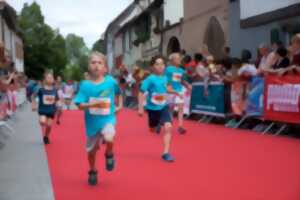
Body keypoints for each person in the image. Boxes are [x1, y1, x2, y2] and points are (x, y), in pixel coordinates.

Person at [74, 52, 123, 186]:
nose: (96, 65)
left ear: (105, 68)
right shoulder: (85, 85)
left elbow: (119, 92)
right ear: (89, 66)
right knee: (91, 151)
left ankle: (109, 153)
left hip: (108, 118)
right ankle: (92, 170)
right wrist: (90, 104)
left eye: (99, 63)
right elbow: (79, 105)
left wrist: (120, 105)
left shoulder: (111, 82)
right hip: (92, 123)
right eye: (93, 62)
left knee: (109, 138)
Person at [138, 55, 175, 162]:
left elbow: (167, 89)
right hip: (152, 109)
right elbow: (141, 93)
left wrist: (175, 92)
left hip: (163, 107)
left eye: (162, 64)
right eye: (157, 64)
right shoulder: (149, 79)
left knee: (168, 127)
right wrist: (140, 108)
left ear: (164, 66)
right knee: (152, 129)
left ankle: (166, 153)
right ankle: (157, 124)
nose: (160, 66)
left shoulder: (165, 78)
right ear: (152, 67)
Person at [165, 53, 191, 134]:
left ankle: (180, 126)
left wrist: (187, 85)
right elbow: (165, 79)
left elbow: (181, 81)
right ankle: (168, 120)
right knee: (170, 108)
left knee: (180, 107)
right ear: (172, 60)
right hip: (170, 91)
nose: (179, 60)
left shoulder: (181, 70)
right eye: (177, 58)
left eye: (180, 58)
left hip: (179, 91)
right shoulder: (168, 69)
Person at [32, 72, 58, 145]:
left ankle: (46, 136)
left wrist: (58, 104)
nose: (50, 79)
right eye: (48, 77)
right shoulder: (41, 89)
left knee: (49, 125)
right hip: (43, 110)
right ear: (45, 79)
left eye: (51, 78)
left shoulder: (55, 90)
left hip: (51, 110)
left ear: (53, 80)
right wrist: (33, 105)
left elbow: (57, 99)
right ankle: (41, 120)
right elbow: (33, 96)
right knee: (43, 122)